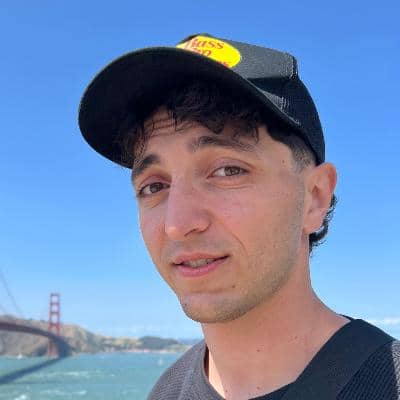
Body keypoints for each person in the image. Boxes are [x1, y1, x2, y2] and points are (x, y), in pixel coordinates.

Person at [78, 34, 400, 399]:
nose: (177, 224)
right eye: (154, 186)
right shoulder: (165, 392)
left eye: (228, 171)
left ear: (314, 198)